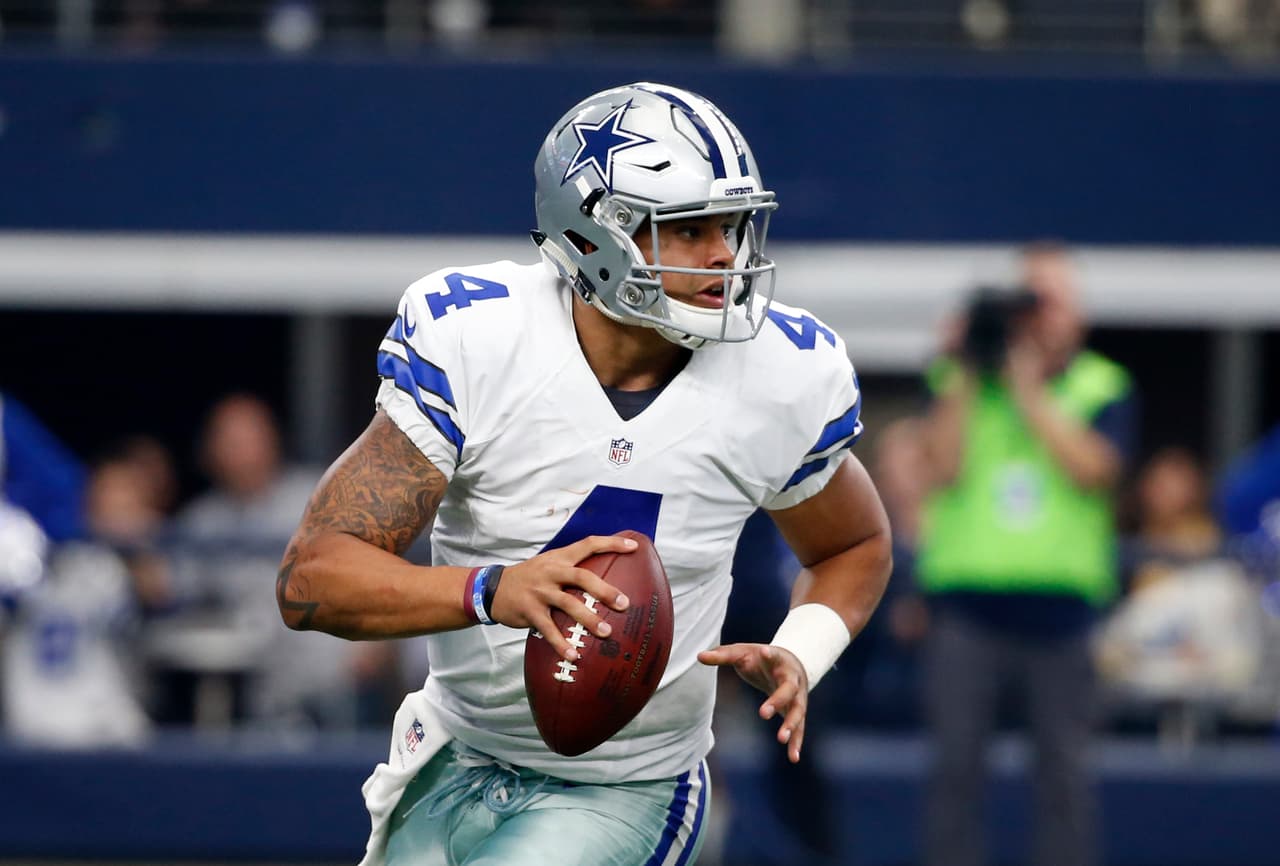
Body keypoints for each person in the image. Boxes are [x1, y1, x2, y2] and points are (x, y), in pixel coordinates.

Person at [277, 82, 893, 866]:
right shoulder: (481, 338)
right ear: (596, 235)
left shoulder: (780, 374)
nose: (724, 256)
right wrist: (491, 590)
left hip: (628, 786)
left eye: (733, 227)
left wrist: (802, 648)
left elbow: (854, 543)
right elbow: (311, 577)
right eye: (689, 228)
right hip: (453, 753)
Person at [914, 243, 1136, 866]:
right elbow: (942, 468)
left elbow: (1095, 470)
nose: (1039, 317)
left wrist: (1030, 390)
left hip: (1061, 615)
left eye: (1052, 301)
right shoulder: (958, 380)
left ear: (1078, 315)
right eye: (1028, 301)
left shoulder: (1103, 385)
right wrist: (961, 367)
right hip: (968, 610)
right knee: (954, 774)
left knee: (1065, 780)